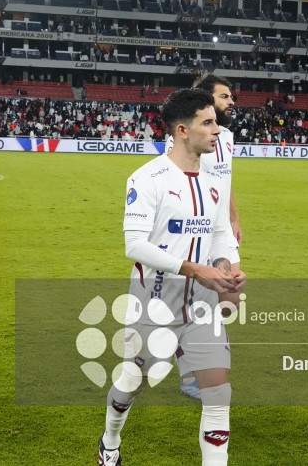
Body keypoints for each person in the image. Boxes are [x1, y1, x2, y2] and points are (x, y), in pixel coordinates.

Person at [99, 88, 245, 466]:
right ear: (182, 130)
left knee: (218, 396)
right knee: (131, 383)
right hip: (154, 307)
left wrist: (227, 272)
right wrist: (196, 269)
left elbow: (220, 235)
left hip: (203, 308)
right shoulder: (148, 178)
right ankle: (110, 439)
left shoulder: (214, 179)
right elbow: (135, 246)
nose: (217, 130)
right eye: (208, 122)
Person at [166, 74, 242, 399]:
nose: (231, 103)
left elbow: (225, 181)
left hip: (221, 229)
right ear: (208, 101)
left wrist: (234, 217)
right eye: (225, 97)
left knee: (231, 301)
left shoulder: (225, 137)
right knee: (201, 300)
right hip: (197, 229)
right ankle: (192, 373)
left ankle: (197, 358)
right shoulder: (194, 138)